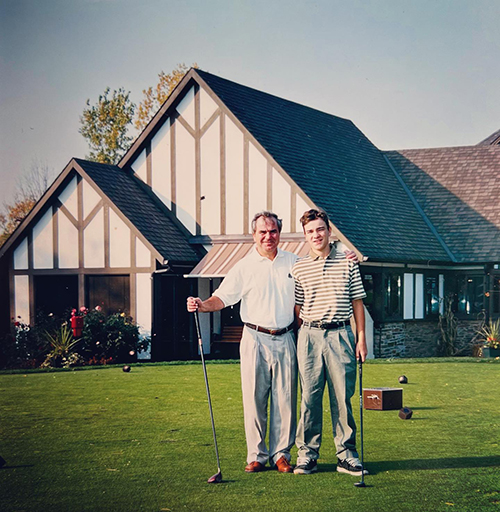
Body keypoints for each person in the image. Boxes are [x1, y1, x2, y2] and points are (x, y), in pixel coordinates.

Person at [187, 211, 298, 473]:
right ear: (254, 235)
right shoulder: (243, 266)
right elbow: (222, 298)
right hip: (254, 338)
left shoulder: (295, 262)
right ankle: (257, 456)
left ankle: (281, 455)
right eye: (262, 232)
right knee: (254, 399)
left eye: (273, 231)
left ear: (279, 233)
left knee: (286, 400)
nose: (268, 236)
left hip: (285, 337)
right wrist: (201, 305)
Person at [292, 208, 368, 476]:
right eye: (310, 231)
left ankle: (346, 455)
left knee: (341, 398)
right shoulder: (299, 267)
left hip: (340, 336)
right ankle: (307, 455)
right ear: (305, 235)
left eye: (320, 229)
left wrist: (361, 339)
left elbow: (357, 304)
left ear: (329, 231)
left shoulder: (348, 262)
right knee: (309, 398)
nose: (316, 235)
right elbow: (298, 309)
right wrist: (304, 337)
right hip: (309, 337)